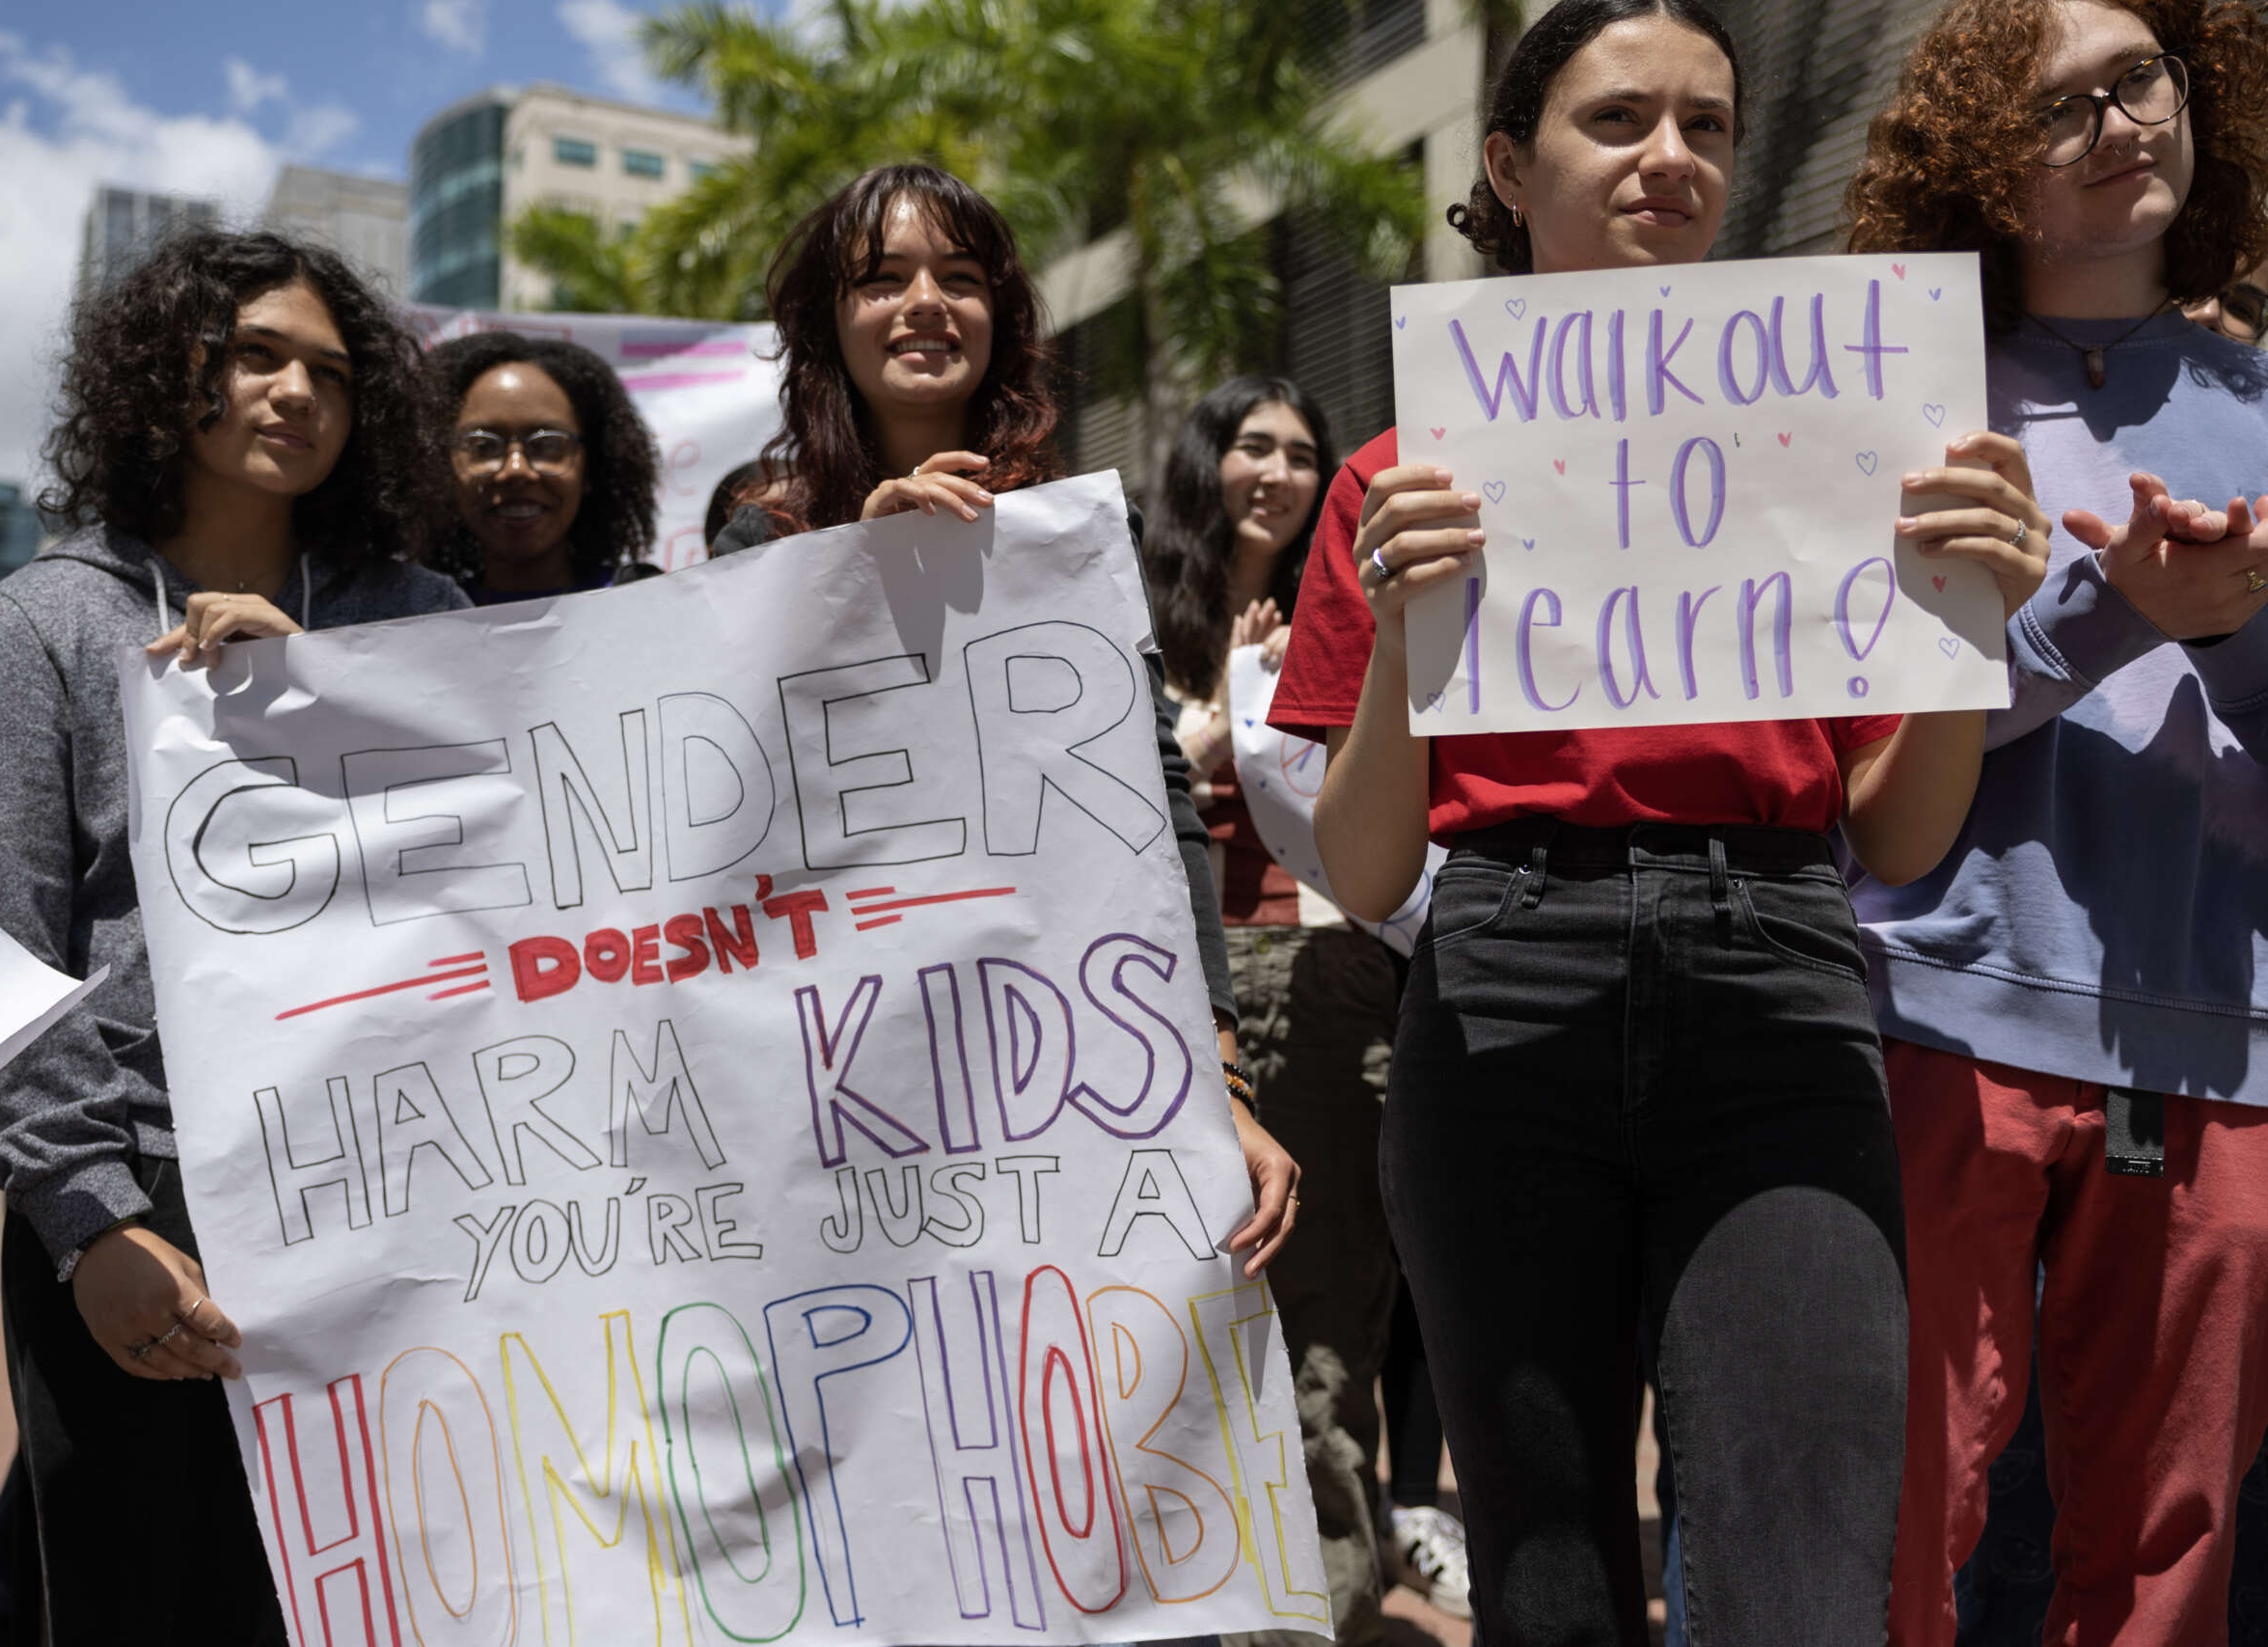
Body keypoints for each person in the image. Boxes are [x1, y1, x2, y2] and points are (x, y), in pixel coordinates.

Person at [1267, 0, 2056, 1639]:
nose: (1672, 160)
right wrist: (1414, 627)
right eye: (1620, 120)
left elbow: (1898, 839)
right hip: (1500, 989)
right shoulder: (1397, 478)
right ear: (1510, 160)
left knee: (1801, 1576)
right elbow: (1362, 866)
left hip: (1779, 983)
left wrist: (1968, 619)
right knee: (1549, 1572)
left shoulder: (1846, 455)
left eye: (1708, 124)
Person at [0, 227, 469, 1644]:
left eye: (336, 373)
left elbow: (499, 873)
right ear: (168, 379)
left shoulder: (424, 618)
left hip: (396, 1182)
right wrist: (87, 1216)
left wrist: (327, 691)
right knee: (144, 1593)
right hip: (143, 1201)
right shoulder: (43, 621)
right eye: (256, 356)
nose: (298, 392)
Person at [1843, 0, 2268, 1639]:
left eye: (2139, 80)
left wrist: (2229, 622)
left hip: (2223, 1032)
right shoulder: (1906, 406)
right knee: (1896, 1523)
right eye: (2059, 109)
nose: (2116, 125)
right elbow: (1881, 721)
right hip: (1947, 1013)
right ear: (1977, 167)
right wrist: (2120, 607)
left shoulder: (2262, 391)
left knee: (2173, 1564)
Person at [707, 162, 1302, 1279]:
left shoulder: (1069, 535)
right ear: (828, 324)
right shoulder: (761, 541)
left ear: (1002, 319)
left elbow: (1151, 812)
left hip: (1050, 1058)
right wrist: (851, 575)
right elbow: (714, 816)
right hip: (830, 1075)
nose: (926, 300)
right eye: (882, 278)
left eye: (961, 276)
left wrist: (1219, 1078)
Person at [1142, 375, 1449, 1642]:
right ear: (1200, 462)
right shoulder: (1122, 609)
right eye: (1249, 446)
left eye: (1302, 454)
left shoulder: (1360, 591)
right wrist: (1202, 738)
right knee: (1162, 1322)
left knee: (1323, 1323)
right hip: (1163, 991)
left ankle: (1318, 1603)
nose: (1275, 471)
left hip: (1326, 969)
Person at [425, 329, 665, 601]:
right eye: (483, 446)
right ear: (441, 468)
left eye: (547, 445)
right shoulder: (411, 617)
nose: (516, 469)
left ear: (592, 466)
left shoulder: (647, 604)